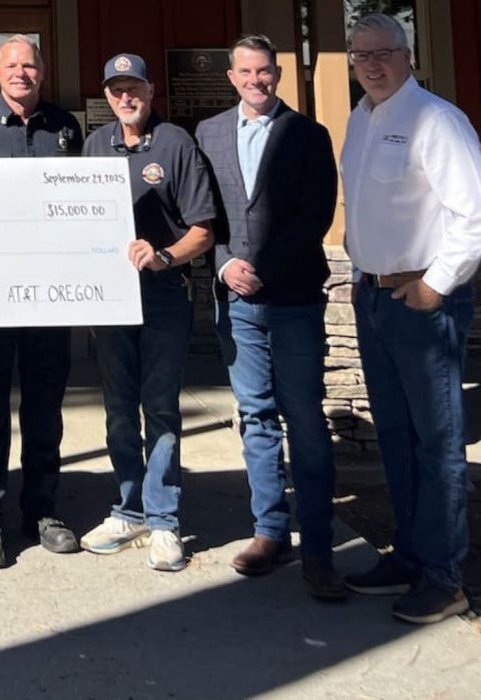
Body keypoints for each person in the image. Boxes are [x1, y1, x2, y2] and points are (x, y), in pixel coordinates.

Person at [341, 13, 481, 624]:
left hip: (422, 302)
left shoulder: (438, 120)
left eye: (384, 53)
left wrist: (435, 286)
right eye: (361, 55)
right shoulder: (360, 119)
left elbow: (474, 216)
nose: (372, 64)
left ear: (408, 55)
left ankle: (445, 578)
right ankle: (409, 555)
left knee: (437, 442)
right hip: (374, 299)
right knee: (396, 438)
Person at [195, 35, 345, 600]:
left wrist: (262, 268)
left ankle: (320, 548)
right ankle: (270, 531)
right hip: (236, 301)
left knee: (304, 418)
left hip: (293, 298)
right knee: (255, 415)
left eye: (265, 71)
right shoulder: (209, 133)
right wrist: (224, 263)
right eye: (246, 72)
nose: (256, 80)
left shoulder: (308, 134)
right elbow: (201, 212)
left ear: (277, 75)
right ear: (231, 78)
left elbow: (315, 214)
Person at [79, 53, 216, 572]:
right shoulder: (96, 145)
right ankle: (128, 509)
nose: (125, 97)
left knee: (159, 407)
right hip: (111, 296)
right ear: (107, 96)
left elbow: (203, 230)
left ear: (151, 90)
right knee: (118, 407)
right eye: (116, 89)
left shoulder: (176, 144)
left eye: (134, 87)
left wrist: (164, 257)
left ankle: (163, 519)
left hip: (162, 293)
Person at [0, 35, 82, 568]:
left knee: (44, 409)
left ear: (42, 71)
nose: (21, 73)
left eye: (29, 65)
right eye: (11, 66)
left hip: (49, 295)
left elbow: (81, 206)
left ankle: (41, 509)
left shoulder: (66, 128)